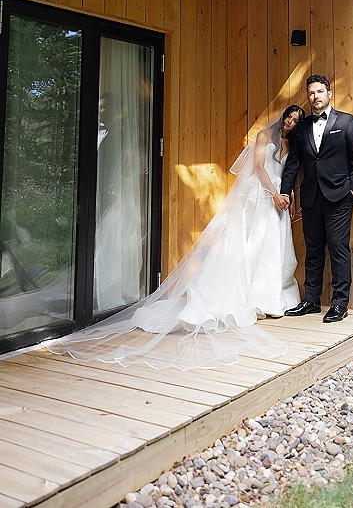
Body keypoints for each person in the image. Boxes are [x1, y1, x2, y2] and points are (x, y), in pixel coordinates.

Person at [46, 105, 305, 370]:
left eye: (295, 120)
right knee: (250, 245)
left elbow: (289, 173)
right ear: (282, 116)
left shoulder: (291, 144)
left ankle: (267, 295)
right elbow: (260, 168)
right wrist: (274, 192)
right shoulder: (264, 136)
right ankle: (248, 296)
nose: (290, 122)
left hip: (279, 199)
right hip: (260, 194)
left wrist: (288, 195)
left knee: (271, 247)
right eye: (288, 117)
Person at [280, 75, 353, 323]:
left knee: (339, 250)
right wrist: (286, 191)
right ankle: (311, 300)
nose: (315, 97)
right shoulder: (303, 127)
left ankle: (340, 304)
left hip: (339, 197)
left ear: (329, 93)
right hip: (310, 198)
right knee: (314, 250)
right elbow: (294, 162)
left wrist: (352, 190)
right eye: (311, 93)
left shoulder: (347, 122)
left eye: (319, 92)